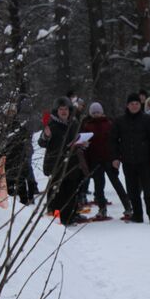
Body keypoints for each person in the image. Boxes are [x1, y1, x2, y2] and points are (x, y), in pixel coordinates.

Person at [110, 93, 150, 224]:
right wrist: (115, 157)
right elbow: (113, 141)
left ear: (140, 105)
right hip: (128, 160)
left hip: (145, 160)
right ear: (127, 105)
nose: (134, 106)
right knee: (132, 191)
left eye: (137, 104)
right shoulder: (120, 121)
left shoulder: (148, 119)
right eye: (132, 104)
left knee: (149, 190)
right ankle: (137, 215)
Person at [38, 96, 88, 224]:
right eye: (61, 109)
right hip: (56, 165)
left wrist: (82, 143)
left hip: (72, 164)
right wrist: (46, 136)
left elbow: (79, 139)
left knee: (71, 193)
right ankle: (56, 218)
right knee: (56, 195)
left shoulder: (75, 123)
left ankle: (69, 217)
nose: (64, 112)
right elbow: (41, 143)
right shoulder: (51, 125)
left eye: (66, 109)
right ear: (57, 111)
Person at [81, 102, 133, 219]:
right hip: (95, 160)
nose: (96, 115)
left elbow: (115, 141)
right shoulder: (87, 125)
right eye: (93, 113)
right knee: (98, 186)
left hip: (109, 158)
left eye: (98, 112)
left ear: (102, 112)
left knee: (116, 183)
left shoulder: (109, 123)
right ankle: (102, 208)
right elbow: (85, 144)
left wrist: (117, 157)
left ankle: (128, 206)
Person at [2, 103, 34, 205]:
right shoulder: (1, 126)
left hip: (18, 158)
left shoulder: (18, 124)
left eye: (12, 112)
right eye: (8, 112)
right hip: (6, 159)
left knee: (21, 181)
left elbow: (25, 137)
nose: (10, 114)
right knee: (8, 183)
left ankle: (25, 201)